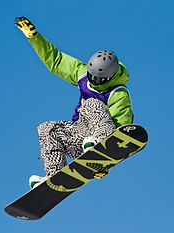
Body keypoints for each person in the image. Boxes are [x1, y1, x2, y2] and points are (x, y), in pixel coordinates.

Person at [15, 17, 133, 188]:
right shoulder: (82, 74)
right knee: (47, 129)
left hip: (104, 136)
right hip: (80, 139)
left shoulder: (118, 93)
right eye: (91, 76)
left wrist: (107, 161)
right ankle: (55, 173)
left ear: (109, 77)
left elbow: (121, 131)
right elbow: (56, 61)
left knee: (93, 104)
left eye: (97, 80)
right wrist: (34, 37)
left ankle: (99, 146)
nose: (93, 81)